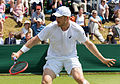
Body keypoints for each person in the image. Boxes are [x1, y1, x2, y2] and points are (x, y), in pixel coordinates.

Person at [11, 6, 116, 84]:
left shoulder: (77, 29)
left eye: (59, 17)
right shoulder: (51, 27)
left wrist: (102, 59)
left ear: (67, 18)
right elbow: (35, 40)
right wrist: (19, 53)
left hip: (71, 58)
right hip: (54, 58)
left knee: (80, 80)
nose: (56, 19)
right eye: (56, 17)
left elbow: (89, 44)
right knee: (45, 82)